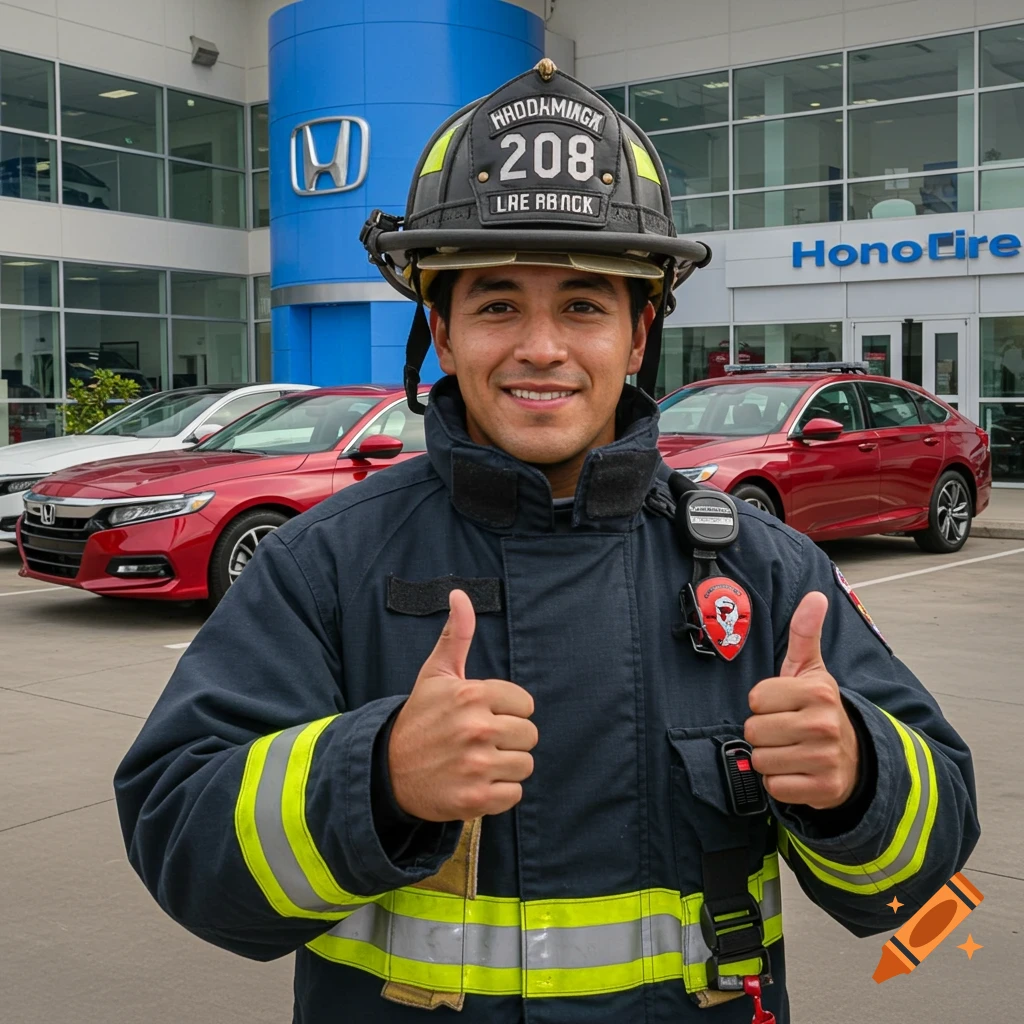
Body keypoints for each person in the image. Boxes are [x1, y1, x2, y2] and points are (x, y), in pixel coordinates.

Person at [114, 60, 979, 1024]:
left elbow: (925, 887)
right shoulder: (322, 565)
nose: (541, 347)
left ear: (639, 332)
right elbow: (180, 845)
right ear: (440, 332)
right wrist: (376, 776)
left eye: (582, 303)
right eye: (496, 304)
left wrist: (858, 775)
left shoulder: (766, 570)